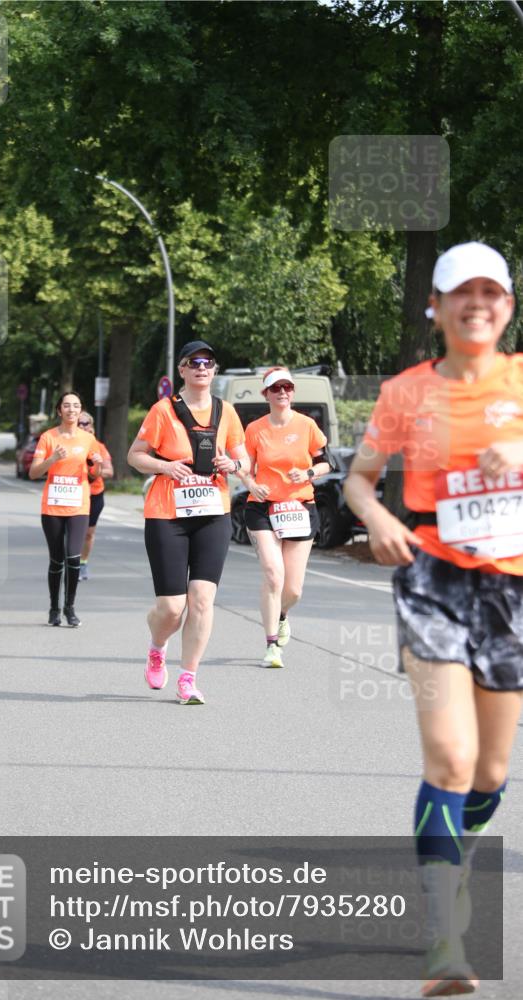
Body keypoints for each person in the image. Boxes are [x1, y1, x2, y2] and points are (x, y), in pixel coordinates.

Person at [344, 242, 522, 997]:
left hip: (510, 587)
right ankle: (443, 935)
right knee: (449, 758)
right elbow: (358, 480)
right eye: (461, 293)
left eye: (490, 292)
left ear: (506, 306)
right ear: (437, 307)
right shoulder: (405, 392)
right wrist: (379, 518)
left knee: (490, 773)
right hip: (431, 578)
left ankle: (460, 859)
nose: (476, 304)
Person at [127, 340, 250, 705]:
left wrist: (234, 465)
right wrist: (165, 466)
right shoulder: (163, 411)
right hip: (167, 514)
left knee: (202, 600)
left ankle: (188, 678)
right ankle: (157, 645)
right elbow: (135, 455)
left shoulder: (226, 412)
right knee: (171, 608)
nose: (201, 368)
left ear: (215, 370)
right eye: (194, 362)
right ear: (181, 369)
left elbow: (244, 461)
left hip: (212, 512)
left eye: (208, 362)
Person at [241, 367, 331, 668]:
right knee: (272, 574)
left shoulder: (307, 425)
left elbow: (326, 463)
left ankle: (281, 616)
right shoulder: (255, 429)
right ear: (265, 393)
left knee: (293, 589)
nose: (282, 392)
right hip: (263, 508)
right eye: (276, 388)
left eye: (287, 387)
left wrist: (307, 473)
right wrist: (252, 485)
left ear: (292, 392)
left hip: (299, 508)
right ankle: (271, 647)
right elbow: (244, 468)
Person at [29, 390, 102, 626]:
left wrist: (98, 466)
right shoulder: (48, 437)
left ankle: (70, 608)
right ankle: (54, 608)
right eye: (67, 405)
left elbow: (95, 474)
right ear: (59, 410)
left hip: (79, 506)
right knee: (57, 559)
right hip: (53, 507)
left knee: (73, 556)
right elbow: (33, 473)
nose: (72, 409)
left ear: (81, 410)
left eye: (76, 406)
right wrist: (52, 459)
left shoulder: (88, 439)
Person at [76, 411, 114, 580]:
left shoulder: (99, 447)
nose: (82, 426)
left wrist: (93, 472)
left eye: (85, 423)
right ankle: (70, 562)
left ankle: (82, 563)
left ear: (91, 426)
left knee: (88, 533)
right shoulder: (67, 444)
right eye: (79, 423)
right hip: (74, 494)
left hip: (94, 494)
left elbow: (109, 471)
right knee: (72, 531)